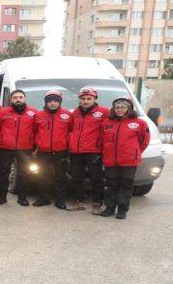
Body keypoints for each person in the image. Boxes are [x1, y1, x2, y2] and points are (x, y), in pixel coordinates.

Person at [100, 97, 149, 219]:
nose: (119, 109)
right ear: (113, 109)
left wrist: (135, 152)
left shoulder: (139, 123)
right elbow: (101, 141)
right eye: (117, 107)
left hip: (129, 161)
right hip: (111, 160)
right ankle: (110, 207)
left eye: (123, 107)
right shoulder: (107, 123)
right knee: (111, 185)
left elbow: (144, 141)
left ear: (129, 108)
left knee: (126, 185)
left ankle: (122, 209)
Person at [67, 86, 110, 214]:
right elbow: (70, 129)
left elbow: (108, 130)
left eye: (89, 98)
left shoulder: (104, 112)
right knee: (76, 177)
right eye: (83, 99)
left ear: (95, 99)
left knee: (96, 178)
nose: (85, 101)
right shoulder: (75, 113)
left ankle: (97, 203)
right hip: (76, 151)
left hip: (93, 151)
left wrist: (102, 148)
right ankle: (79, 201)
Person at [0, 89, 37, 206]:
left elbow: (36, 130)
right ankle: (1, 196)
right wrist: (4, 139)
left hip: (25, 148)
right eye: (15, 97)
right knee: (3, 172)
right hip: (6, 147)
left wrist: (33, 145)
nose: (18, 99)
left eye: (20, 97)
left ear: (24, 98)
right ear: (11, 99)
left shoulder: (33, 112)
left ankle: (22, 197)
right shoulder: (3, 112)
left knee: (24, 173)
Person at [33, 90, 72, 209]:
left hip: (61, 151)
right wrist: (36, 146)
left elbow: (71, 131)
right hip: (43, 151)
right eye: (50, 101)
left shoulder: (67, 115)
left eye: (56, 101)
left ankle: (60, 200)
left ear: (60, 102)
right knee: (42, 175)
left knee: (60, 176)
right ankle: (43, 198)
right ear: (46, 102)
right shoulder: (38, 115)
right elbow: (35, 132)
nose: (53, 103)